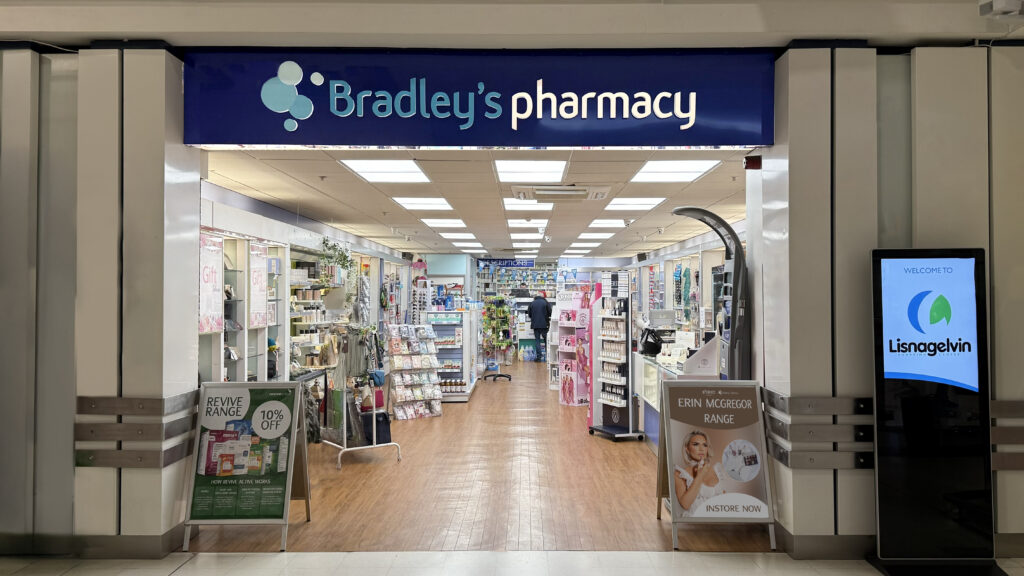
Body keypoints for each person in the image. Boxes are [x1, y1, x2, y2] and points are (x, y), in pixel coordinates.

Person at [674, 429, 725, 516]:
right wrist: (700, 476)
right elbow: (685, 505)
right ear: (687, 449)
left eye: (704, 445)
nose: (701, 449)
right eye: (696, 444)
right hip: (695, 521)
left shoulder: (717, 470)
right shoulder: (680, 474)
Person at [526, 290, 552, 362]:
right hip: (544, 324)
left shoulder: (532, 303)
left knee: (537, 340)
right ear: (542, 296)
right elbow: (550, 313)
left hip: (535, 324)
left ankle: (539, 357)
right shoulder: (546, 302)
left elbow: (529, 314)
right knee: (546, 340)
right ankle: (548, 357)